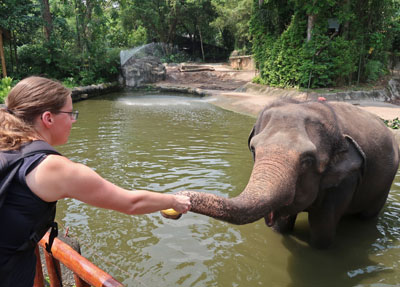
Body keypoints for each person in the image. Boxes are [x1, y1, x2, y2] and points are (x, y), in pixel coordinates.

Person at [0, 76, 191, 286]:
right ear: (48, 118)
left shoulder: (6, 142)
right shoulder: (52, 168)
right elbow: (130, 203)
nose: (73, 119)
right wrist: (173, 201)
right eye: (70, 113)